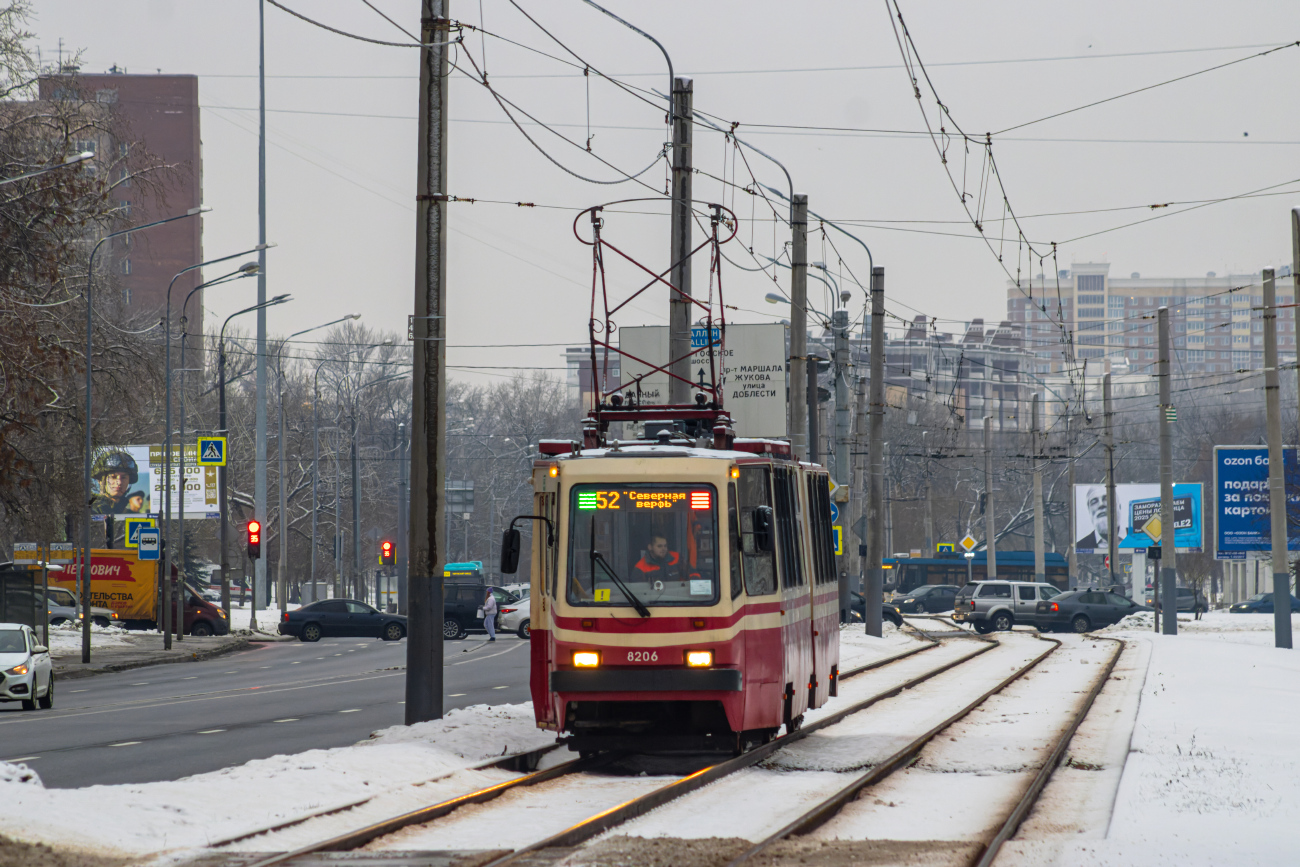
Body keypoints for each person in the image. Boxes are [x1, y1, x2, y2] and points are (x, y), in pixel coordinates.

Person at [90, 450, 139, 515]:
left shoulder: (130, 514)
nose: (119, 482)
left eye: (124, 477)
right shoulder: (87, 512)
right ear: (100, 480)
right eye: (113, 477)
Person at [1076, 485, 1110, 551]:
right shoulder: (1080, 546)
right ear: (1089, 511)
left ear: (1119, 506)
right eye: (1094, 502)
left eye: (1106, 498)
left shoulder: (1135, 540)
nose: (1101, 504)